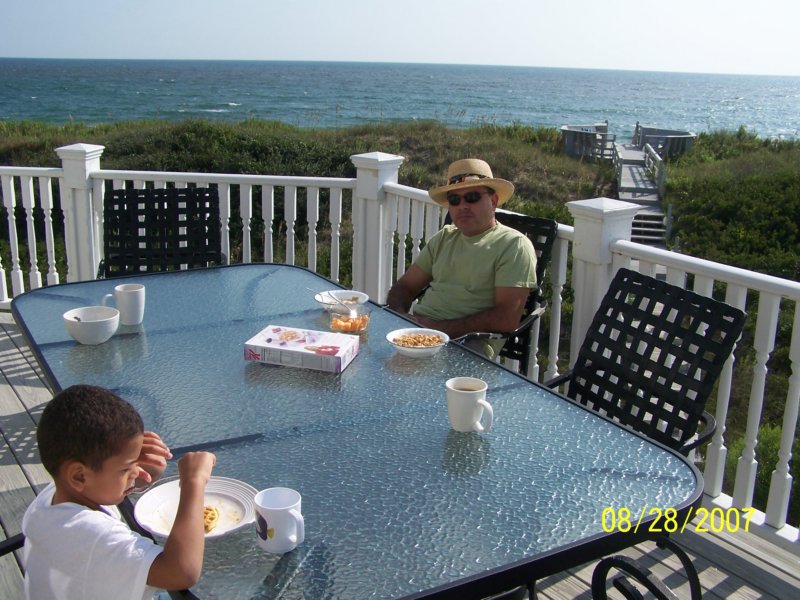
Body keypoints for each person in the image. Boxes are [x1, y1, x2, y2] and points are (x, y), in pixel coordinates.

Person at [22, 384, 216, 600]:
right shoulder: (93, 535)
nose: (135, 471)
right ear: (79, 476)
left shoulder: (51, 501)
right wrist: (193, 482)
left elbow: (102, 488)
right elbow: (180, 572)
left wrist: (136, 470)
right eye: (125, 469)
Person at [386, 158, 537, 357]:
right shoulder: (444, 237)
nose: (462, 205)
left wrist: (438, 329)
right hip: (419, 335)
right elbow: (405, 287)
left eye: (472, 197)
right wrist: (399, 316)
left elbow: (506, 318)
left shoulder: (513, 245)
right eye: (455, 200)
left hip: (468, 343)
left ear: (493, 201)